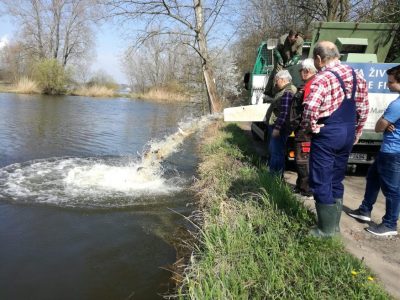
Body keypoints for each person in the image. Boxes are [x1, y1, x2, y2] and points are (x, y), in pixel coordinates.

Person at [301, 41, 369, 237]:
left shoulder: (321, 79)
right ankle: (334, 226)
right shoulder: (357, 76)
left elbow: (311, 108)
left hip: (328, 132)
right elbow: (363, 109)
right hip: (348, 131)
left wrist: (311, 127)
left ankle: (326, 229)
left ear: (319, 59)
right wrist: (356, 132)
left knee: (321, 179)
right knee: (337, 179)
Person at [347, 64, 400, 236]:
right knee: (373, 177)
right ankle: (365, 210)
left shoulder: (397, 105)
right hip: (389, 150)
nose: (387, 85)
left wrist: (385, 124)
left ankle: (390, 224)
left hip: (392, 152)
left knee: (392, 189)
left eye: (391, 82)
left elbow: (378, 127)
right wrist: (387, 125)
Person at [288, 58, 317, 197]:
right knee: (299, 159)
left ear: (308, 71)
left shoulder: (311, 86)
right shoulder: (305, 85)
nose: (300, 73)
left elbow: (308, 110)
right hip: (300, 129)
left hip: (304, 131)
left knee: (303, 160)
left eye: (302, 70)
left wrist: (303, 128)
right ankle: (300, 186)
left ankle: (307, 190)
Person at [264, 70, 297, 177]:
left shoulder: (287, 91)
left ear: (282, 80)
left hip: (279, 128)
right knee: (276, 151)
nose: (275, 83)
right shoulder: (285, 90)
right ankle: (277, 176)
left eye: (276, 80)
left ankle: (274, 178)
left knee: (276, 153)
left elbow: (284, 112)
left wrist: (277, 128)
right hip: (278, 126)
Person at [264, 30, 304, 97]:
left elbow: (298, 55)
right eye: (290, 39)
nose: (291, 41)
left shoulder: (300, 41)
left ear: (296, 38)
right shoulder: (282, 39)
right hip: (280, 56)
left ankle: (290, 90)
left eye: (293, 40)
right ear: (288, 37)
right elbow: (276, 50)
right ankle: (274, 92)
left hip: (291, 58)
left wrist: (293, 61)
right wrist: (279, 58)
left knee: (291, 72)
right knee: (278, 73)